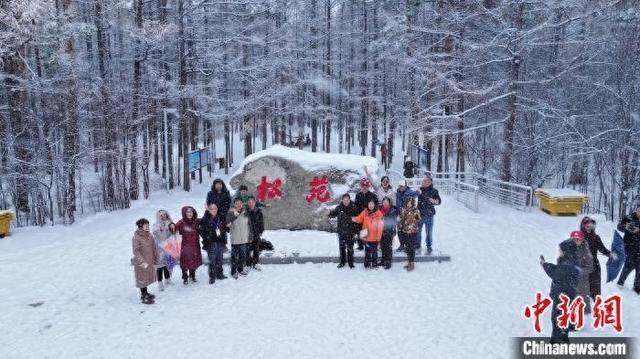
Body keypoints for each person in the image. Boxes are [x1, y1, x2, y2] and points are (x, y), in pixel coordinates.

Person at [540, 237, 579, 344]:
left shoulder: (568, 264)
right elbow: (558, 270)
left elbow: (556, 273)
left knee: (558, 321)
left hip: (563, 297)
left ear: (566, 251)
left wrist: (545, 265)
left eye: (561, 250)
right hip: (564, 295)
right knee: (560, 321)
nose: (559, 252)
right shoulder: (570, 262)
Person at [580, 216, 614, 300]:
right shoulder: (579, 237)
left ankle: (595, 299)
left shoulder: (596, 237)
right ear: (583, 225)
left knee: (595, 284)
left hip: (594, 264)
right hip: (582, 264)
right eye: (587, 225)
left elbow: (602, 249)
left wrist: (610, 254)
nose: (589, 227)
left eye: (591, 225)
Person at [198, 203, 228, 284]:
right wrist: (208, 238)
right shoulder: (205, 219)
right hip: (211, 243)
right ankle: (212, 276)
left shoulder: (219, 218)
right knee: (212, 261)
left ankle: (220, 274)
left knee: (220, 259)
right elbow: (201, 231)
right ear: (208, 209)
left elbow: (223, 229)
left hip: (220, 242)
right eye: (211, 208)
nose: (214, 210)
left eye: (215, 208)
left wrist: (224, 240)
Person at [328, 194, 360, 268]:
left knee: (350, 248)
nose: (346, 201)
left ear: (349, 200)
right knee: (342, 248)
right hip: (341, 231)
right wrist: (329, 213)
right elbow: (333, 214)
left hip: (350, 232)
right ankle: (342, 262)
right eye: (344, 200)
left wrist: (355, 231)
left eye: (347, 200)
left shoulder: (354, 208)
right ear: (342, 200)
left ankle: (350, 263)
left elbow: (357, 220)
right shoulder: (339, 208)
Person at [132, 218, 158, 305]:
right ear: (140, 226)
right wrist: (141, 262)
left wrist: (156, 258)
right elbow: (136, 251)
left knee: (146, 277)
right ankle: (143, 296)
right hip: (141, 263)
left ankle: (146, 293)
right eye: (145, 225)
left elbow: (154, 247)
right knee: (142, 278)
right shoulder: (136, 237)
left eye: (148, 225)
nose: (147, 227)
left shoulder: (149, 235)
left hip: (149, 260)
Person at [352, 200, 384, 269]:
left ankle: (374, 263)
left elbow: (380, 226)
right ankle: (367, 263)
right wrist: (353, 219)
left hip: (375, 236)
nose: (371, 205)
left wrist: (378, 237)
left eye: (372, 204)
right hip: (366, 236)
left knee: (374, 252)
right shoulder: (365, 212)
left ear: (375, 205)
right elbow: (359, 219)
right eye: (369, 204)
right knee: (367, 251)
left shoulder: (379, 213)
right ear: (367, 205)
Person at [616, 204, 640, 294]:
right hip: (630, 246)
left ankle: (637, 287)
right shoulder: (629, 217)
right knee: (628, 266)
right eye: (639, 210)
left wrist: (638, 230)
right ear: (636, 209)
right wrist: (625, 227)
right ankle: (620, 282)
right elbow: (619, 227)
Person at [175, 206, 202, 285]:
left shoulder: (196, 221)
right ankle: (185, 276)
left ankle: (192, 275)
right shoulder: (181, 222)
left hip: (195, 245)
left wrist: (208, 211)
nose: (190, 213)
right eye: (188, 212)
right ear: (184, 213)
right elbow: (173, 229)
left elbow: (205, 220)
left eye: (191, 212)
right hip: (185, 247)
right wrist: (170, 226)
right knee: (185, 262)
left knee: (194, 260)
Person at [417, 175, 441, 255]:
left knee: (429, 232)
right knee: (418, 231)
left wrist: (434, 201)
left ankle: (429, 246)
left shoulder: (434, 191)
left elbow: (438, 201)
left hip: (429, 215)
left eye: (425, 180)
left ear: (430, 182)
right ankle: (417, 245)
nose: (423, 182)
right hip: (419, 214)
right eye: (423, 180)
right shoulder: (419, 190)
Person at [227, 198, 251, 279]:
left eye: (240, 203)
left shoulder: (246, 213)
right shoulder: (230, 213)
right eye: (237, 203)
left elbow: (249, 225)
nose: (239, 205)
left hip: (244, 239)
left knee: (242, 256)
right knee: (234, 257)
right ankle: (233, 271)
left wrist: (250, 235)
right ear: (234, 204)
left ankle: (240, 269)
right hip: (235, 239)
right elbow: (227, 224)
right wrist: (234, 216)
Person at [571, 230, 593, 314]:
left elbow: (590, 268)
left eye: (578, 239)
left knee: (583, 296)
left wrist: (579, 271)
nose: (576, 241)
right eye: (574, 239)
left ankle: (586, 312)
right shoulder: (567, 248)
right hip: (570, 278)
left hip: (582, 280)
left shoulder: (586, 251)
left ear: (582, 240)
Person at [151, 210, 174, 291]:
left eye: (164, 214)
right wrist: (161, 228)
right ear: (158, 216)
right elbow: (154, 233)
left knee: (168, 264)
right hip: (159, 249)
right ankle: (160, 283)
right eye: (161, 215)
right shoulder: (156, 225)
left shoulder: (170, 223)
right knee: (160, 266)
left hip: (168, 248)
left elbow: (173, 233)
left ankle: (167, 279)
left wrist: (172, 229)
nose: (163, 216)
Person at [355, 178, 379, 250]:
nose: (364, 187)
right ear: (361, 186)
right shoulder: (358, 195)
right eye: (363, 186)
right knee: (360, 230)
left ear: (368, 186)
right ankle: (360, 245)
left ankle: (368, 244)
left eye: (366, 186)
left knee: (369, 231)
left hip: (370, 216)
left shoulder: (373, 195)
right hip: (361, 216)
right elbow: (356, 206)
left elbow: (376, 206)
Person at [398, 198, 421, 272]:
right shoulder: (403, 210)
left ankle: (412, 263)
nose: (409, 204)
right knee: (407, 248)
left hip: (413, 232)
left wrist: (415, 215)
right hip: (404, 231)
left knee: (411, 248)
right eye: (408, 202)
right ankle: (408, 262)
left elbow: (419, 219)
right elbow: (400, 219)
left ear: (413, 203)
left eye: (410, 203)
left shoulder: (416, 210)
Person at [246, 196, 265, 271]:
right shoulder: (245, 212)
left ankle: (255, 263)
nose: (250, 203)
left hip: (256, 233)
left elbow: (261, 223)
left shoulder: (258, 211)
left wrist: (260, 231)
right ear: (247, 203)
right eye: (249, 202)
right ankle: (248, 264)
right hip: (247, 233)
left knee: (256, 249)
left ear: (254, 202)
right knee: (247, 249)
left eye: (252, 202)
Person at [379, 197, 398, 269]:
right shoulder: (379, 209)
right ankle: (383, 260)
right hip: (381, 230)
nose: (385, 203)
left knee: (388, 247)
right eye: (384, 201)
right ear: (382, 202)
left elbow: (394, 221)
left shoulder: (392, 210)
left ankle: (388, 261)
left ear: (389, 203)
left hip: (389, 230)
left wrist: (393, 231)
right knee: (382, 246)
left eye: (387, 201)